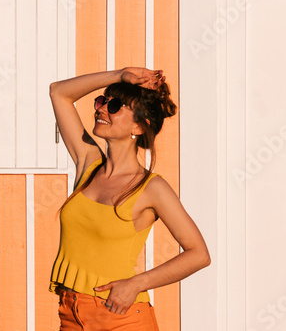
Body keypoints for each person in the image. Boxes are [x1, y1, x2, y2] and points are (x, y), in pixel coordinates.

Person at [48, 67, 210, 330]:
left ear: (138, 125)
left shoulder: (151, 188)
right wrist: (120, 76)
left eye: (114, 106)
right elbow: (59, 93)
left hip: (120, 317)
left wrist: (137, 283)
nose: (101, 109)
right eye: (101, 101)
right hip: (70, 314)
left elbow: (199, 254)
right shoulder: (88, 164)